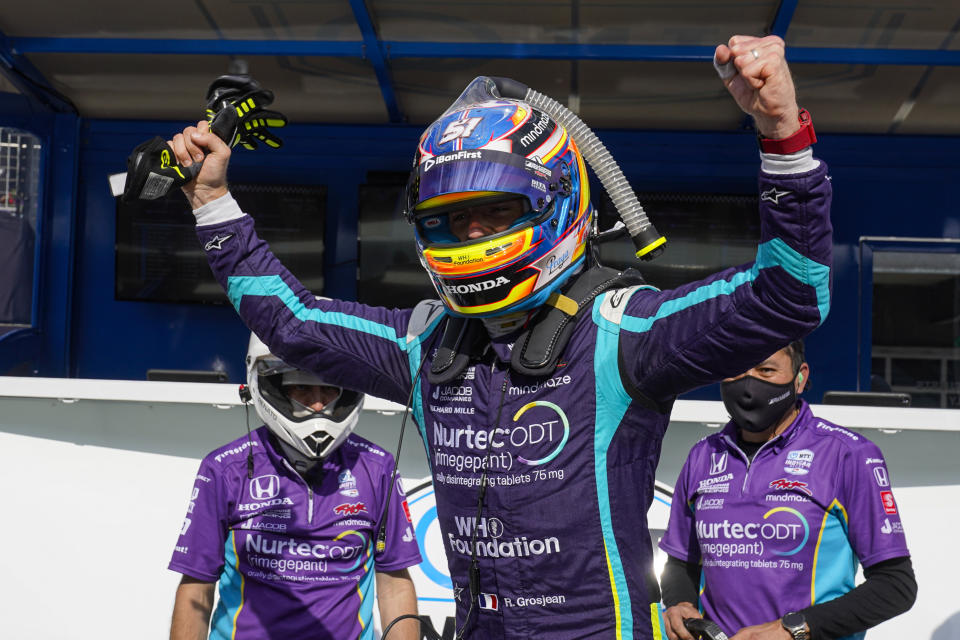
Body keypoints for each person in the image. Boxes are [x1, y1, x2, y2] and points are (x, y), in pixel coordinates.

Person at [168, 35, 833, 639]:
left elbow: (789, 297)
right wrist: (211, 202)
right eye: (455, 220)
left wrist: (781, 134)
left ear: (559, 200)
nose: (477, 234)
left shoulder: (619, 332)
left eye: (498, 211)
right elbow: (291, 322)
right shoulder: (425, 344)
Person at [168, 334, 422, 640]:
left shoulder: (377, 468)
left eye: (329, 388)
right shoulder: (224, 469)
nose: (317, 403)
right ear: (272, 385)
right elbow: (197, 585)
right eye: (301, 387)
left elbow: (394, 581)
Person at [658, 341, 916, 640]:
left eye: (766, 370)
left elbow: (896, 585)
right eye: (734, 371)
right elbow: (680, 562)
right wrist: (680, 604)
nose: (748, 383)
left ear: (800, 377)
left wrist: (792, 629)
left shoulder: (847, 454)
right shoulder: (703, 455)